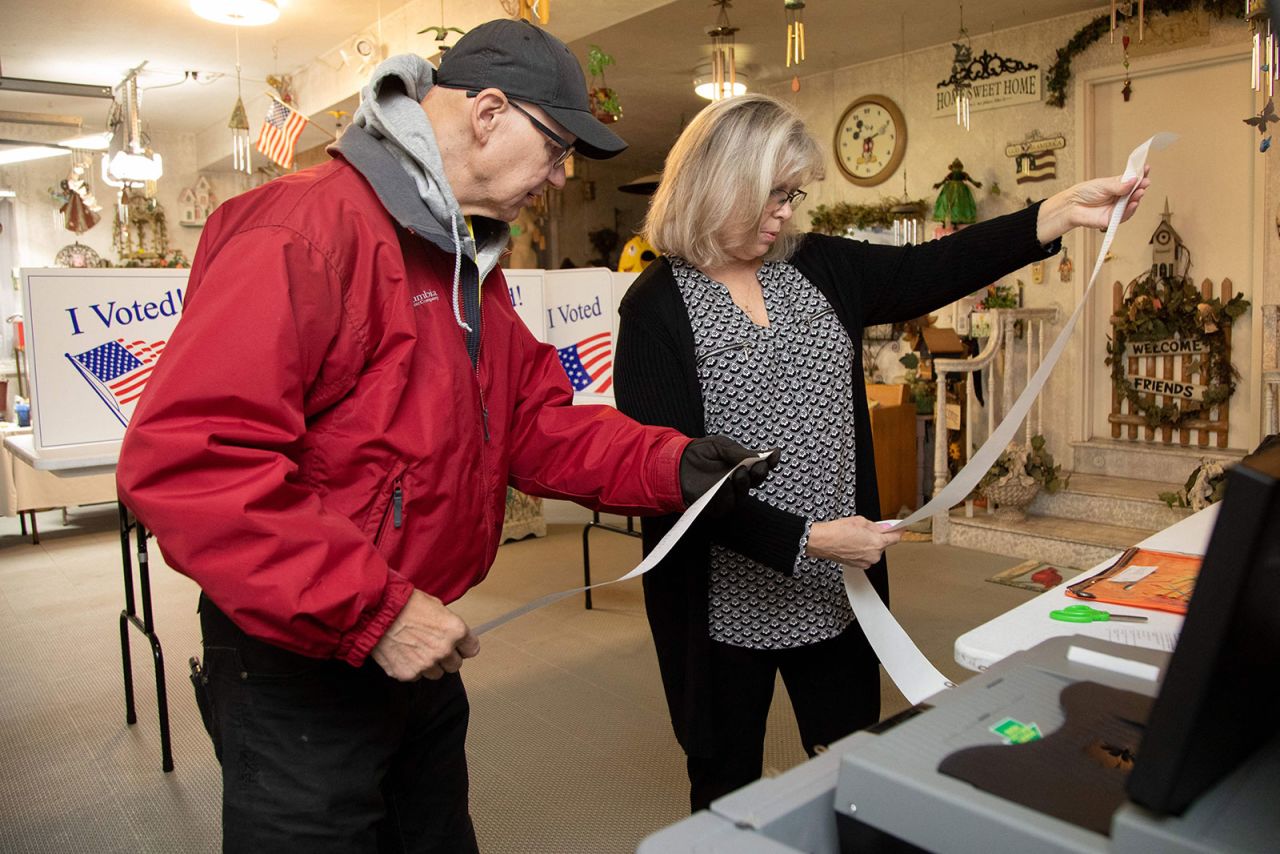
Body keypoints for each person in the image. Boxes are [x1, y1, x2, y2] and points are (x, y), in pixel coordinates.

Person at [116, 20, 774, 852]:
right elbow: (193, 463)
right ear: (489, 113)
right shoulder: (302, 231)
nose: (564, 175)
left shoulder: (462, 260)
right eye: (559, 146)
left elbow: (534, 424)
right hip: (306, 660)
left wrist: (673, 461)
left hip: (415, 645)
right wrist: (375, 613)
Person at [613, 94, 1149, 812]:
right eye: (774, 196)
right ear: (722, 183)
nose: (786, 215)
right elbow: (672, 483)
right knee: (724, 786)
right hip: (721, 606)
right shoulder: (653, 310)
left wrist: (1055, 212)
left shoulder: (815, 267)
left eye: (792, 196)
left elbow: (935, 266)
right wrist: (804, 538)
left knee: (851, 773)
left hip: (838, 589)